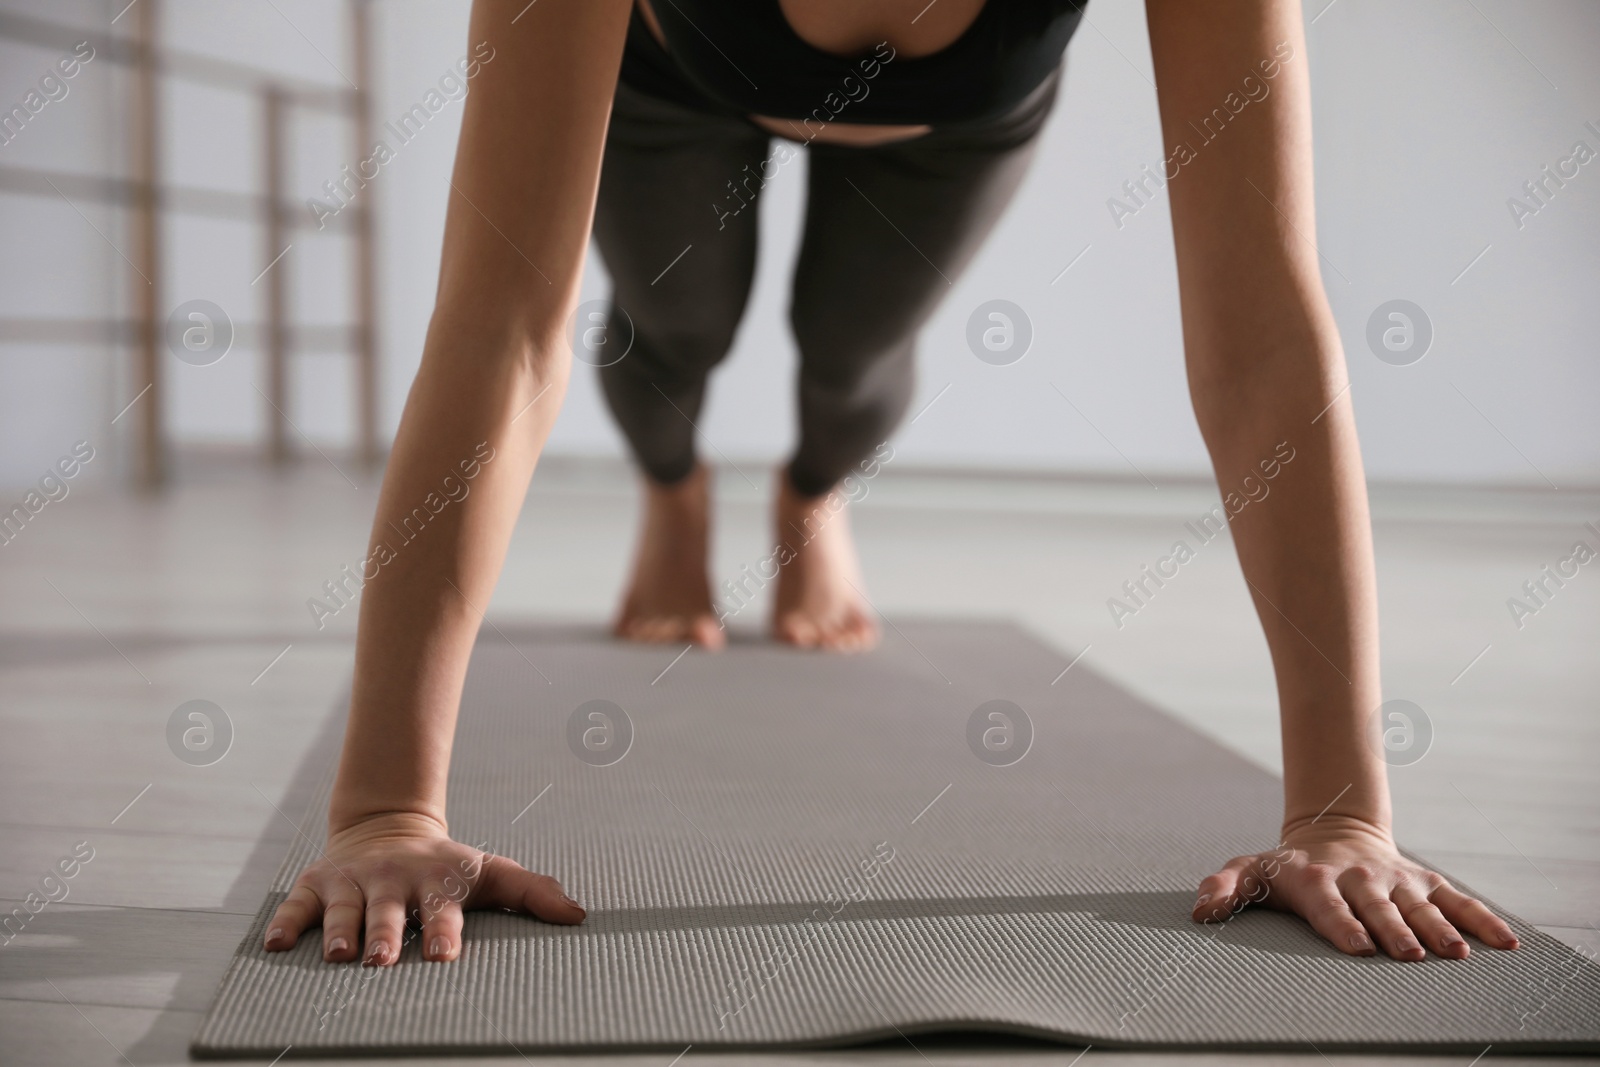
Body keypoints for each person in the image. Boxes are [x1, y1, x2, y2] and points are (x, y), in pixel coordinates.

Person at [262, 0, 1522, 970]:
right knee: (669, 328)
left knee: (855, 355)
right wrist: (384, 803)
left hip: (952, 118)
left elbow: (1259, 346)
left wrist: (1345, 809)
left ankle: (813, 494)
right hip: (676, 77)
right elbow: (505, 329)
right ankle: (675, 494)